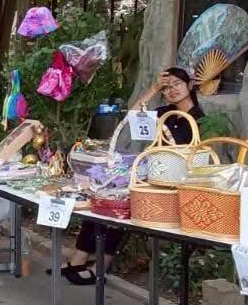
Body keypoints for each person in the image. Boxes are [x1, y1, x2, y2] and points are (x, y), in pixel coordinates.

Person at [61, 67, 204, 285]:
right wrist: (154, 88)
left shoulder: (198, 119)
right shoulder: (164, 112)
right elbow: (133, 115)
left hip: (176, 180)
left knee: (124, 204)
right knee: (106, 195)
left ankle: (101, 266)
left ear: (190, 85)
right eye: (166, 87)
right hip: (154, 173)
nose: (172, 90)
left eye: (177, 84)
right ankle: (80, 257)